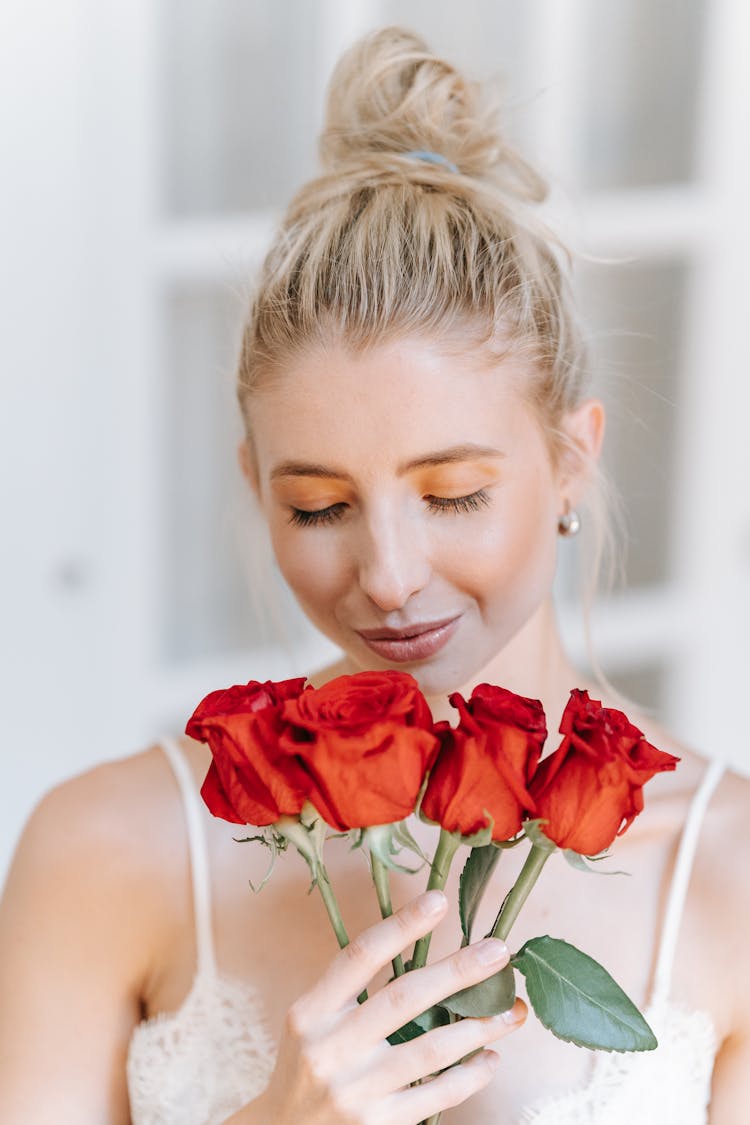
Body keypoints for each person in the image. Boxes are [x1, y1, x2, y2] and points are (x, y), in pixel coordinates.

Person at [0, 25, 748, 1125]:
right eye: (321, 507)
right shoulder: (104, 849)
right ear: (257, 485)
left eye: (453, 495)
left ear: (572, 460)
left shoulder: (727, 874)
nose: (389, 577)